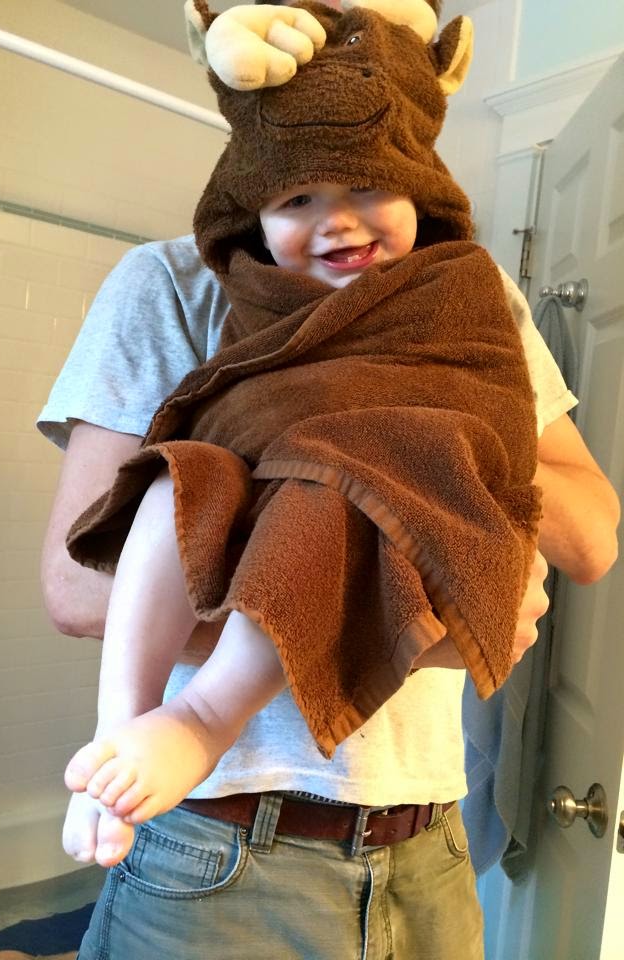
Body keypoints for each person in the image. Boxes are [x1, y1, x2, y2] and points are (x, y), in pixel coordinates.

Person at [39, 2, 620, 958]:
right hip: (224, 841)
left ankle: (203, 711)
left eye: (369, 183)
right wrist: (411, 636)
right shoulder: (171, 286)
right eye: (297, 196)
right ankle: (129, 734)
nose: (336, 221)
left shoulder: (473, 297)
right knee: (182, 480)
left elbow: (591, 538)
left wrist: (430, 434)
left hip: (426, 839)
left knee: (337, 479)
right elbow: (75, 589)